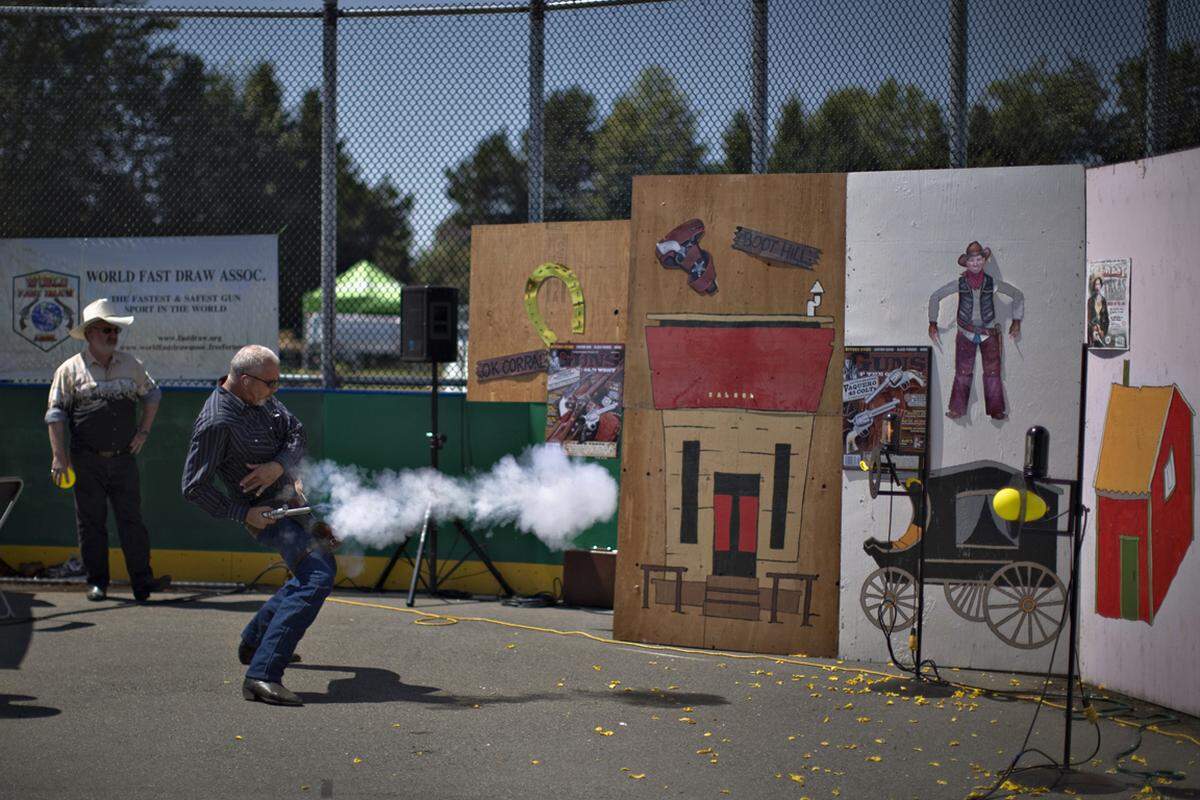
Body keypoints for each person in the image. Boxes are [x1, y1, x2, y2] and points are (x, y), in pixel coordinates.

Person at [181, 345, 335, 707]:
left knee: (311, 573)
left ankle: (254, 643)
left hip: (293, 505)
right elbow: (192, 487)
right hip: (265, 515)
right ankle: (262, 674)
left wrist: (279, 466)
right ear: (246, 380)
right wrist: (242, 513)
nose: (275, 389)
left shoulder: (261, 398)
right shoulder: (217, 421)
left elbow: (295, 432)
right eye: (270, 383)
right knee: (316, 576)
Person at [45, 299, 171, 602]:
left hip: (123, 459)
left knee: (132, 521)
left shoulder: (131, 364)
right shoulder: (70, 370)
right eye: (105, 329)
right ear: (89, 334)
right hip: (86, 459)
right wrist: (59, 456)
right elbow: (55, 414)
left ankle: (142, 582)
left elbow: (153, 395)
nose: (112, 335)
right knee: (90, 523)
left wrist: (143, 431)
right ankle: (97, 582)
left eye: (114, 330)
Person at [928, 241, 1025, 420]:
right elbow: (935, 297)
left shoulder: (993, 283)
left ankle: (996, 409)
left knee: (993, 373)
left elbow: (1017, 295)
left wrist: (1016, 321)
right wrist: (932, 322)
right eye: (972, 260)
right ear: (966, 262)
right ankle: (957, 409)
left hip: (989, 334)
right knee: (962, 372)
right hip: (965, 333)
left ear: (984, 261)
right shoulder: (959, 283)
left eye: (979, 259)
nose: (975, 263)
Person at [1088, 275, 1110, 347]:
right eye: (1096, 284)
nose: (1097, 286)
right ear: (1094, 286)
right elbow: (1088, 318)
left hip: (1101, 333)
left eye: (1098, 284)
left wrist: (1103, 331)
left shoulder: (1103, 300)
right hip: (1092, 333)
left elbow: (1106, 319)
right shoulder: (1090, 300)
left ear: (1101, 286)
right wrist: (1092, 327)